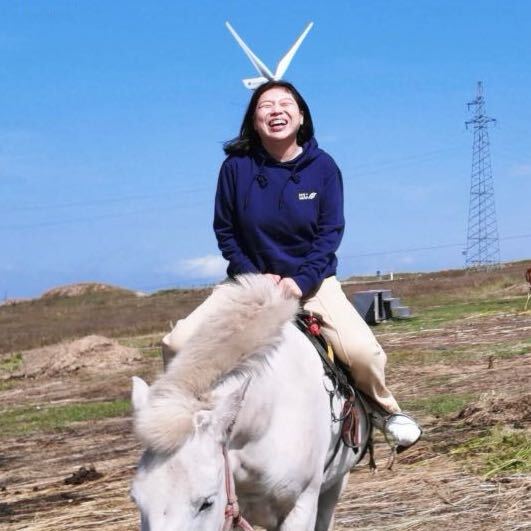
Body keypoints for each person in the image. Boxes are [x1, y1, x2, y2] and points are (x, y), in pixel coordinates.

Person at [162, 80, 421, 450]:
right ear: (254, 121)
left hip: (313, 284)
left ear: (301, 117)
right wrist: (255, 277)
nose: (276, 111)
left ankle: (384, 412)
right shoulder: (235, 168)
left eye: (286, 103)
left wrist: (300, 280)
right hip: (248, 283)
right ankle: (184, 424)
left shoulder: (323, 167)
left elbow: (330, 233)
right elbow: (226, 231)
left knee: (363, 353)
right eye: (265, 105)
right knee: (178, 343)